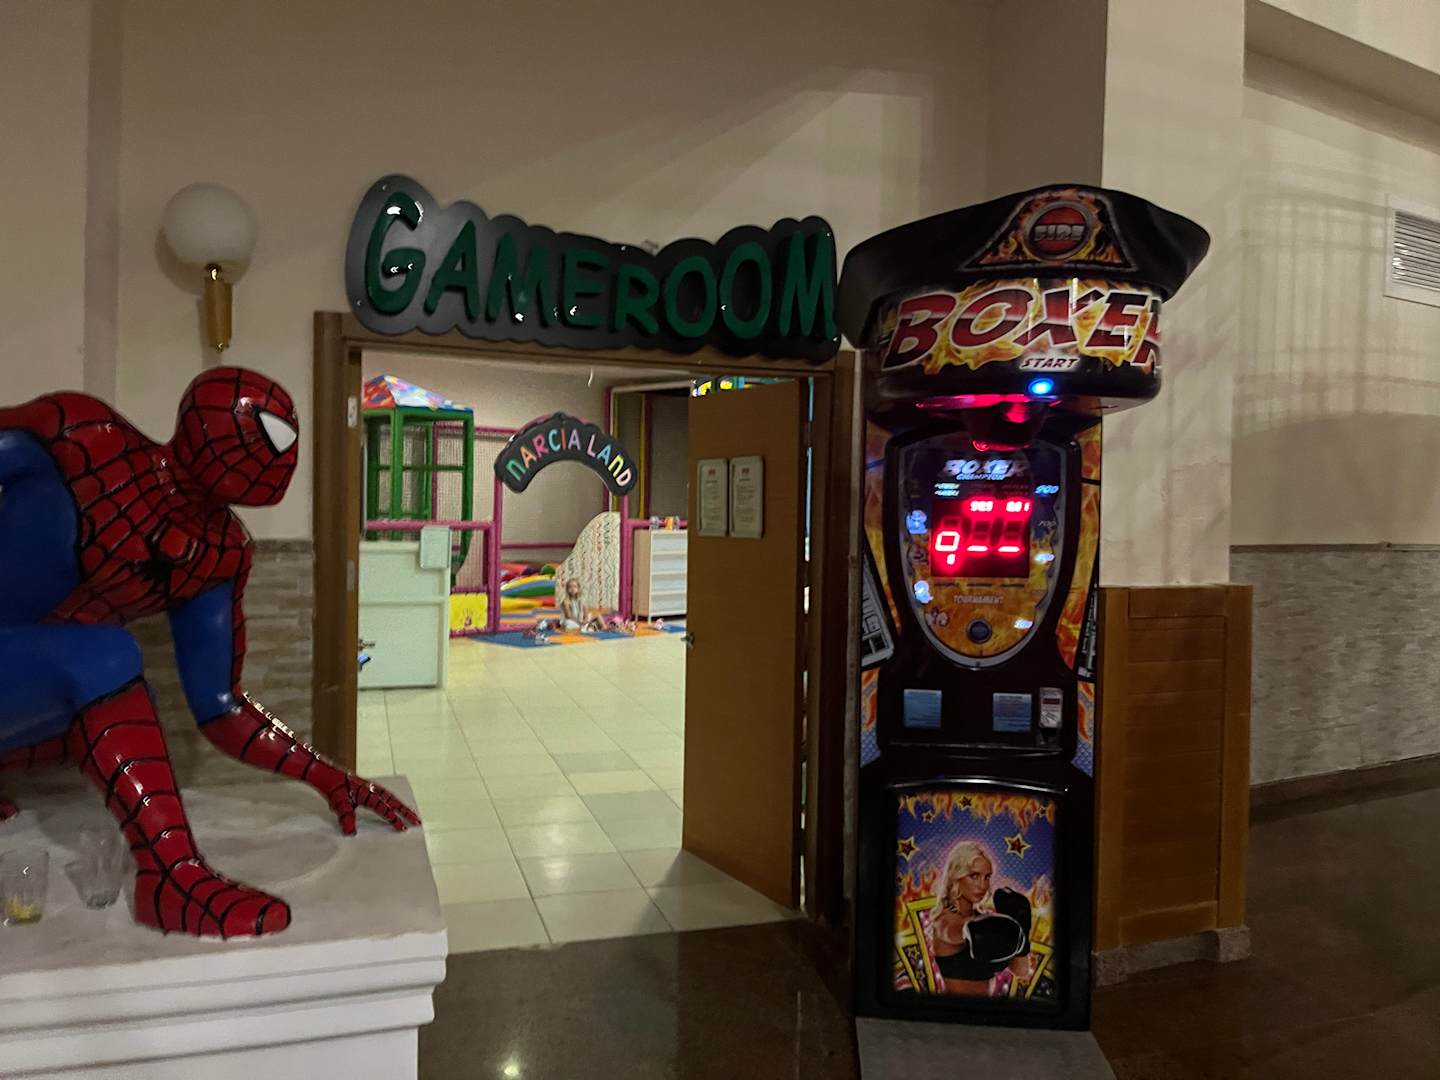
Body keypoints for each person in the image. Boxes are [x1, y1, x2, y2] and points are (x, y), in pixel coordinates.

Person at [0, 369, 419, 938]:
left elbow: (221, 707)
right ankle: (170, 881)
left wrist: (330, 777)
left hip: (19, 691)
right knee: (105, 655)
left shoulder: (218, 552)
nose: (283, 453)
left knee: (116, 691)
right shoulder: (85, 438)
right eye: (266, 431)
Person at [925, 840, 1036, 996]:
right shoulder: (944, 919)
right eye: (974, 876)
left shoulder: (985, 919)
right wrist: (1004, 926)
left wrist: (1022, 928)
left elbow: (1021, 971)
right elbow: (956, 930)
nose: (982, 886)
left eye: (987, 877)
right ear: (956, 876)